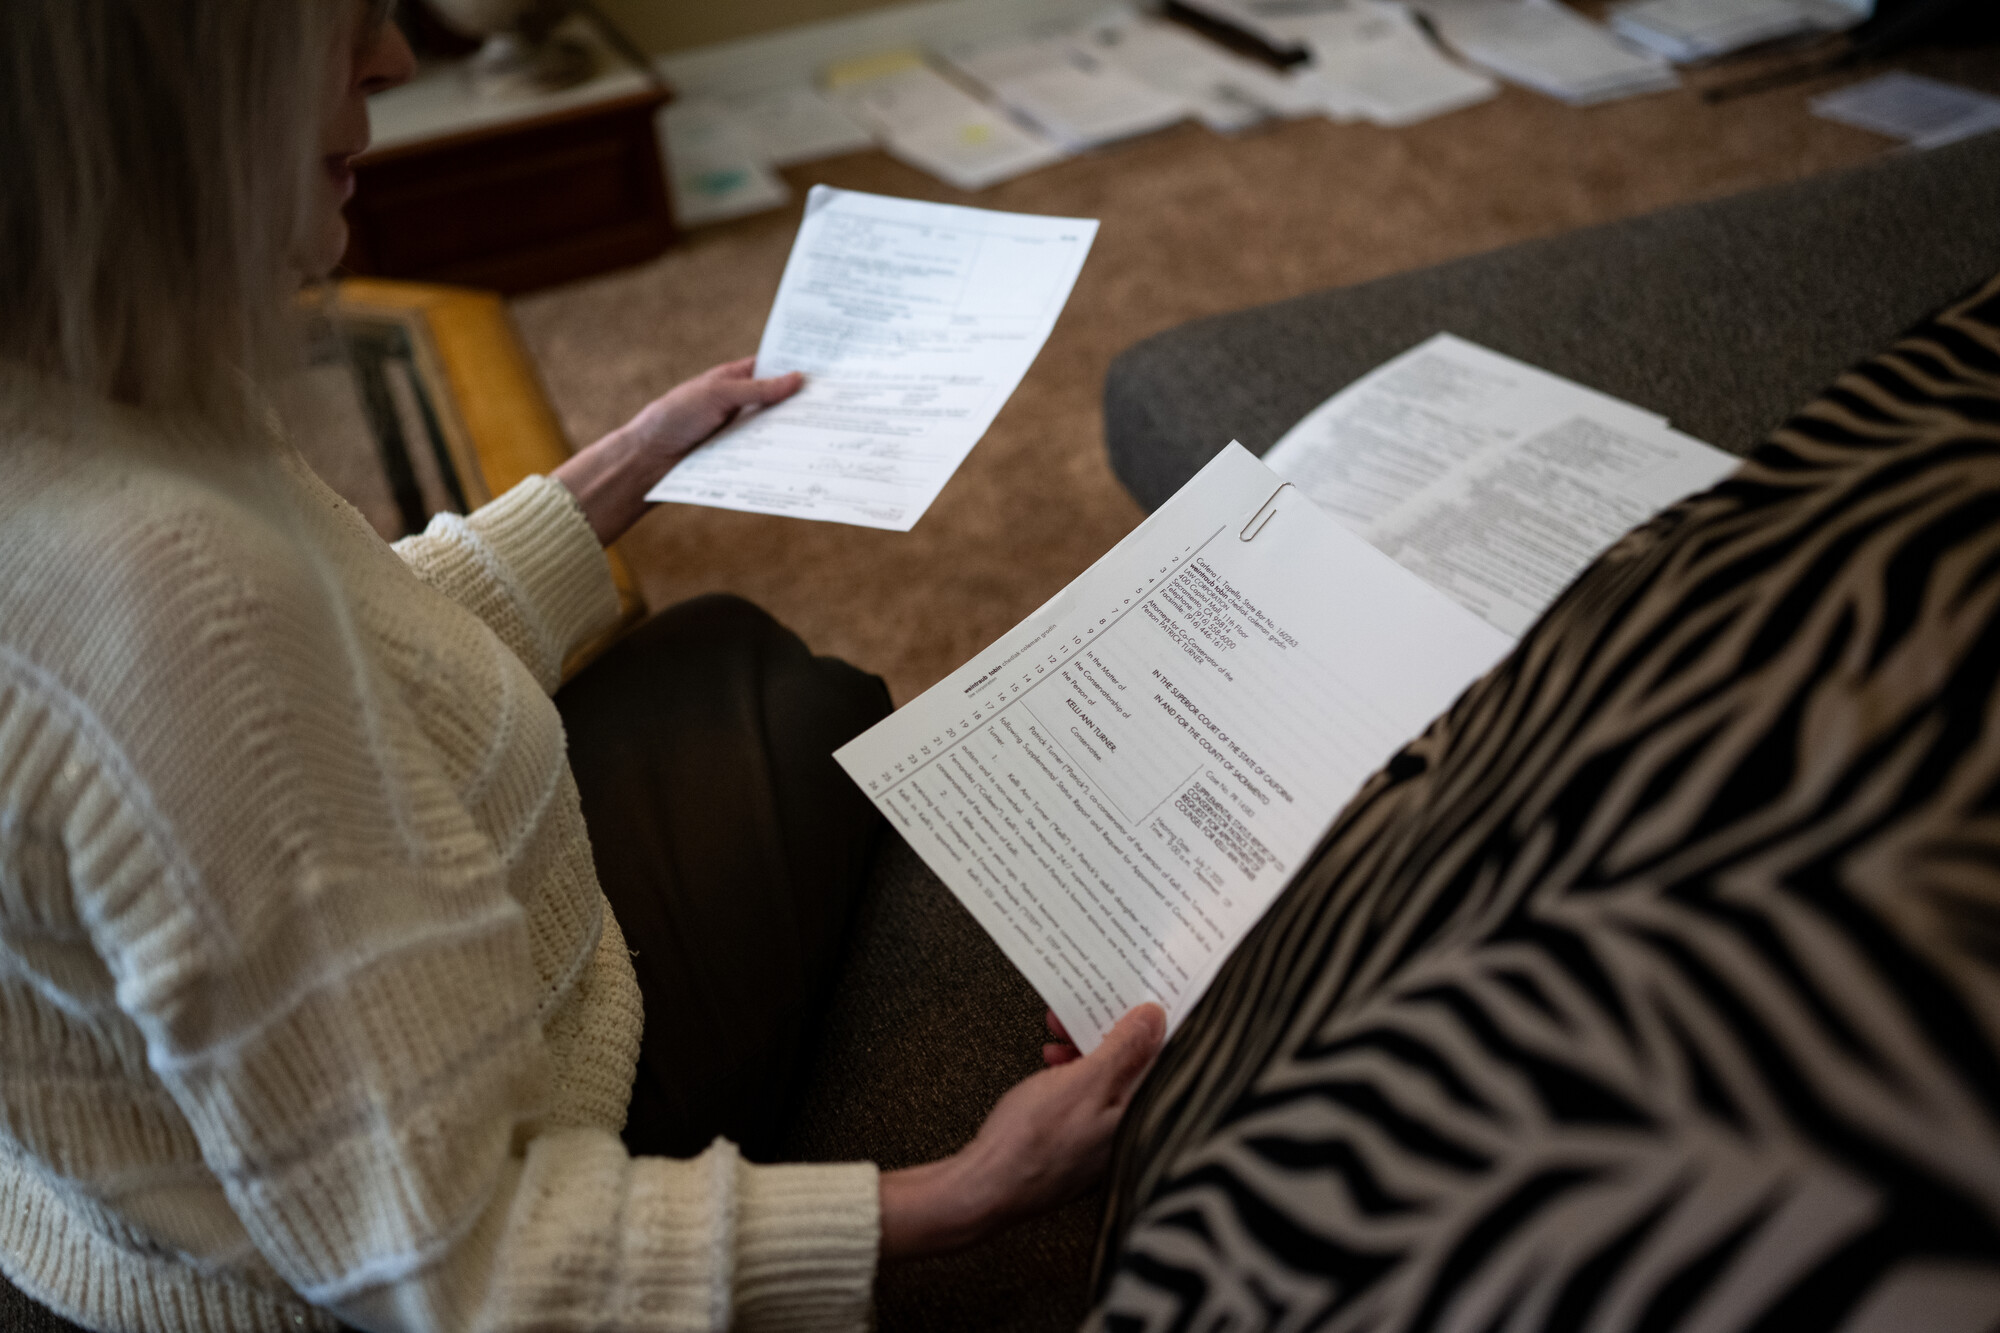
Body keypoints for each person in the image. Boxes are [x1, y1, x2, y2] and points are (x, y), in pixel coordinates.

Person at [0, 2, 1165, 1330]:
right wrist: (970, 1189)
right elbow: (464, 1268)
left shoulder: (70, 384)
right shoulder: (170, 595)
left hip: (112, 1198)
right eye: (338, 24)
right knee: (808, 704)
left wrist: (626, 465)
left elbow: (348, 645)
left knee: (748, 658)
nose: (392, 57)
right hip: (338, 1269)